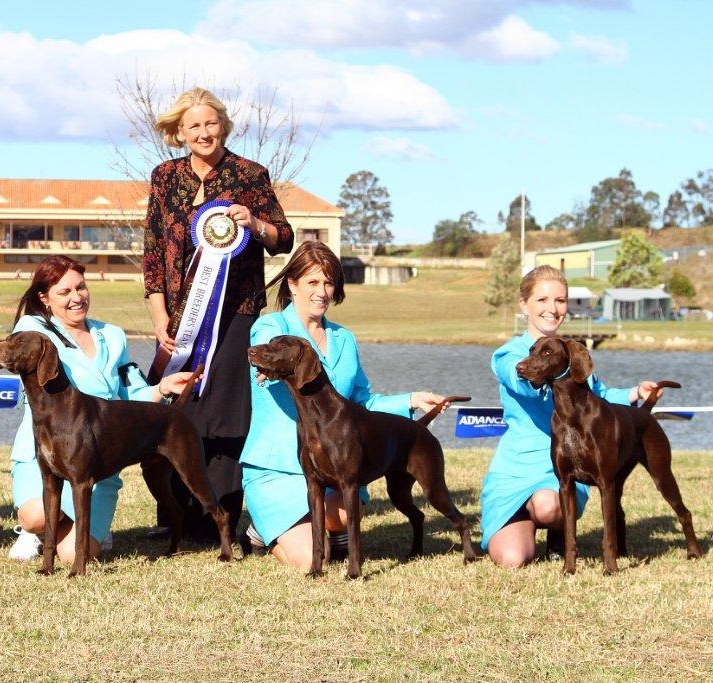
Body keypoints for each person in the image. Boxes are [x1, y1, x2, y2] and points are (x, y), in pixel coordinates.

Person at [142, 86, 295, 540]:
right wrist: (157, 316)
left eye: (211, 123)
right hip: (177, 319)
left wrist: (257, 224)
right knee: (177, 412)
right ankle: (174, 515)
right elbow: (152, 250)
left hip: (236, 314)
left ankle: (218, 520)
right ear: (179, 133)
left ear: (224, 126)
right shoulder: (164, 176)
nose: (204, 132)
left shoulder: (251, 174)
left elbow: (283, 238)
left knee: (226, 417)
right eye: (194, 125)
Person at [239, 241, 449, 569]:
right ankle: (259, 532)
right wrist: (267, 367)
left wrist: (411, 400)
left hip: (334, 463)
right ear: (292, 284)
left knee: (341, 513)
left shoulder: (344, 339)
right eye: (312, 282)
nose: (322, 291)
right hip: (278, 467)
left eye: (328, 282)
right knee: (308, 558)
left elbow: (362, 402)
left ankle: (327, 534)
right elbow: (266, 355)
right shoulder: (271, 329)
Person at [6, 255, 199, 563]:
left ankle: (81, 532)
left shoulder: (112, 335)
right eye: (64, 292)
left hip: (96, 453)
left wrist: (161, 389)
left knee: (72, 557)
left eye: (80, 287)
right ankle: (38, 532)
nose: (76, 297)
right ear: (44, 298)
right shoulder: (33, 330)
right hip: (46, 450)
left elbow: (128, 394)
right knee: (34, 516)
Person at [480, 265, 661, 567]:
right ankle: (522, 523)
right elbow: (519, 379)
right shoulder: (507, 355)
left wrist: (636, 393)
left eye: (560, 301)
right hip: (516, 468)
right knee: (512, 559)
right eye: (542, 300)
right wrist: (532, 371)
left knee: (549, 506)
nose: (552, 309)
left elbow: (598, 397)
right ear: (524, 304)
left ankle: (556, 535)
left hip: (564, 465)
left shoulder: (570, 355)